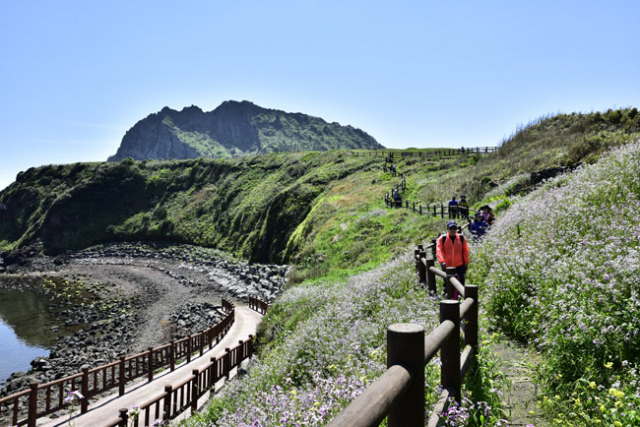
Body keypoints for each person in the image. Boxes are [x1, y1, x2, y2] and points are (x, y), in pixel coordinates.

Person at [436, 220, 470, 292]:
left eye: (454, 228)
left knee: (460, 284)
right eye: (450, 228)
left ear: (456, 229)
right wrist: (442, 261)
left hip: (459, 265)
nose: (452, 230)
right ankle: (448, 299)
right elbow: (439, 250)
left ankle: (460, 300)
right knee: (447, 284)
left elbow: (465, 250)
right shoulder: (442, 238)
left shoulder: (461, 238)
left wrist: (466, 262)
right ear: (447, 229)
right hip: (447, 266)